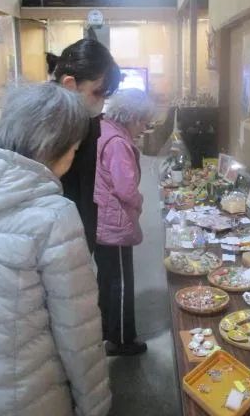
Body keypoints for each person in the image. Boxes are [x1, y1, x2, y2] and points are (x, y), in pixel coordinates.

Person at [0, 82, 111, 416]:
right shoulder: (53, 216)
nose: (73, 157)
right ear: (52, 146)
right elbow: (77, 333)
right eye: (74, 149)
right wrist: (94, 405)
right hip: (23, 399)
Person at [94, 88, 154, 356]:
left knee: (107, 278)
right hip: (114, 224)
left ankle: (106, 328)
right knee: (120, 282)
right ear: (131, 117)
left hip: (102, 219)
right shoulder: (118, 143)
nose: (144, 128)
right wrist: (139, 202)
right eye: (143, 122)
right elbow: (126, 188)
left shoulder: (104, 129)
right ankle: (120, 340)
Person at [48, 39, 121, 253]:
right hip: (51, 236)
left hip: (79, 228)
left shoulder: (87, 118)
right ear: (70, 84)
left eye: (105, 95)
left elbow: (88, 181)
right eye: (97, 92)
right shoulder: (41, 123)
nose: (101, 102)